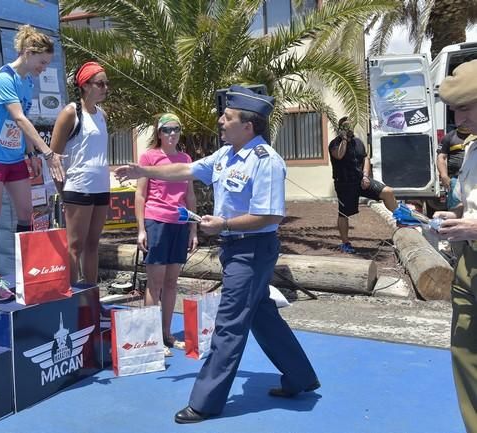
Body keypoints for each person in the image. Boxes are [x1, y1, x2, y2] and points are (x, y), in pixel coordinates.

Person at [115, 85, 319, 423]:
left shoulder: (266, 161)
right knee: (261, 315)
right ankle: (300, 376)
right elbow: (186, 170)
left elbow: (270, 216)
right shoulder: (225, 155)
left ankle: (205, 401)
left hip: (252, 250)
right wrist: (144, 172)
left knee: (228, 323)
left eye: (227, 117)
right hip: (235, 248)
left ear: (248, 126)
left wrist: (223, 223)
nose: (220, 122)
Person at [0, 25, 64, 300]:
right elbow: (20, 118)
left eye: (48, 64)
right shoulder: (4, 78)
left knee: (26, 214)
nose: (43, 68)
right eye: (42, 62)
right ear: (27, 53)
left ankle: (26, 271)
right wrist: (47, 152)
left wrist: (31, 155)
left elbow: (24, 121)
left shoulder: (27, 82)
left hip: (14, 158)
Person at [434, 59, 477, 433]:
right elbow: (471, 201)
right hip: (468, 261)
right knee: (465, 355)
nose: (457, 117)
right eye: (454, 109)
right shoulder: (472, 147)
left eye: (465, 107)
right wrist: (456, 216)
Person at [135, 113, 198, 357]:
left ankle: (166, 333)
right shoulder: (148, 158)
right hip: (156, 222)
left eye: (176, 129)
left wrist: (193, 228)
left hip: (180, 224)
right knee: (155, 283)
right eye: (167, 130)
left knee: (172, 282)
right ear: (159, 133)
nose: (172, 134)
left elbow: (190, 196)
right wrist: (141, 229)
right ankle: (151, 339)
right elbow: (140, 195)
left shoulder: (185, 159)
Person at [49, 61, 110, 284]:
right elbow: (53, 156)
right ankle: (73, 298)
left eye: (106, 84)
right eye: (100, 83)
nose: (105, 88)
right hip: (78, 186)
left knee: (94, 244)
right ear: (84, 85)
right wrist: (62, 191)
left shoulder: (102, 114)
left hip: (101, 187)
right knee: (75, 246)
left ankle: (91, 299)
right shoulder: (71, 112)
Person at [329, 117, 397, 253]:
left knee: (387, 192)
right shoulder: (334, 144)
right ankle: (345, 243)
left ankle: (402, 222)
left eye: (350, 127)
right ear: (340, 129)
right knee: (344, 214)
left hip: (361, 180)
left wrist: (366, 176)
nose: (348, 129)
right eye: (345, 127)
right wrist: (344, 139)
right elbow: (339, 155)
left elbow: (365, 158)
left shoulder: (358, 142)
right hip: (344, 183)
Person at [437, 126, 473, 209]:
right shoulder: (449, 136)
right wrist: (444, 175)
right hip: (456, 179)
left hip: (474, 179)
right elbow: (441, 157)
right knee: (455, 207)